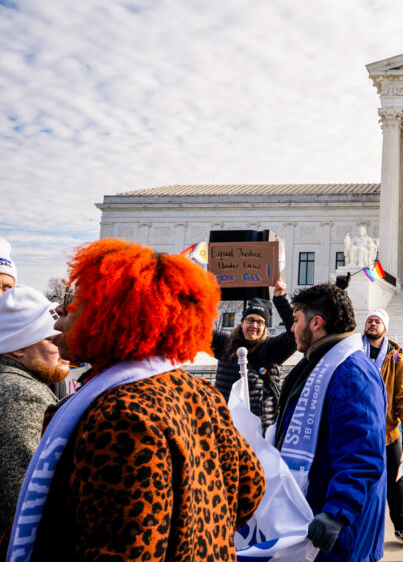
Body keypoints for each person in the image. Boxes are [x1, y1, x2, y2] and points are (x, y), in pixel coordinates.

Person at [13, 238, 265, 561]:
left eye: (75, 299)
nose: (60, 310)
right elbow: (250, 488)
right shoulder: (201, 393)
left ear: (110, 314)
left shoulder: (121, 416)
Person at [273, 283, 387, 561]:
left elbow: (361, 450)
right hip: (318, 516)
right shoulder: (319, 363)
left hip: (338, 528)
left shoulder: (351, 372)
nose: (291, 328)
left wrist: (337, 510)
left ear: (316, 323)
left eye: (296, 320)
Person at [0, 287, 67, 540]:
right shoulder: (19, 394)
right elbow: (23, 497)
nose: (63, 344)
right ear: (18, 348)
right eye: (50, 339)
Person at [210, 277, 296, 431]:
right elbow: (198, 327)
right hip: (226, 428)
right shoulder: (225, 343)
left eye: (260, 322)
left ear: (264, 327)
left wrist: (280, 298)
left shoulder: (272, 348)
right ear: (242, 322)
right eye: (250, 320)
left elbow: (295, 334)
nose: (254, 326)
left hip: (260, 433)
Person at [363, 308, 403, 546]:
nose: (372, 324)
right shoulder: (354, 351)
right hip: (360, 430)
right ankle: (362, 530)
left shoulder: (396, 357)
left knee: (396, 480)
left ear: (385, 328)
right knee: (362, 479)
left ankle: (402, 526)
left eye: (377, 321)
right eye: (369, 321)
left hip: (388, 431)